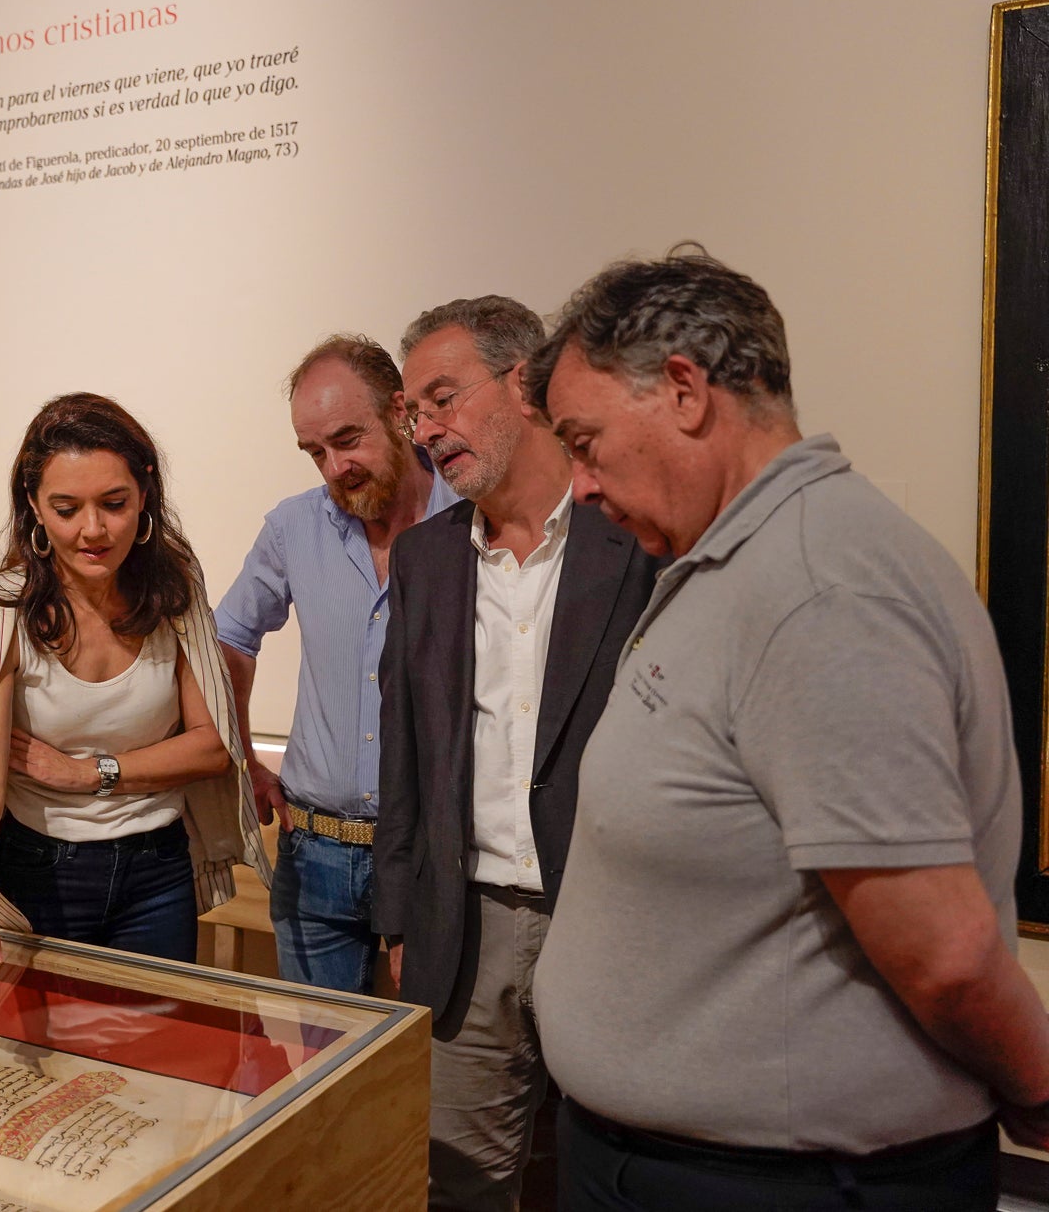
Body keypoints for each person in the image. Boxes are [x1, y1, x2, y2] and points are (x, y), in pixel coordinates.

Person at [526, 246, 1049, 1211]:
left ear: (684, 390)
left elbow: (945, 951)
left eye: (585, 442)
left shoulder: (820, 589)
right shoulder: (739, 557)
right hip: (690, 1168)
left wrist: (1037, 1086)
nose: (582, 485)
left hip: (780, 1182)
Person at [374, 297, 660, 1211]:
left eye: (443, 398)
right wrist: (399, 919)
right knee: (457, 1187)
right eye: (414, 412)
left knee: (614, 1181)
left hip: (610, 923)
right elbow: (405, 749)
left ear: (523, 383)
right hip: (466, 927)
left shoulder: (635, 539)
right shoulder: (424, 559)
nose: (426, 430)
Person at [0, 393, 266, 989]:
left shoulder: (173, 590)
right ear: (34, 506)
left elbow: (212, 747)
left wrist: (88, 773)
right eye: (66, 509)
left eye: (114, 504)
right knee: (33, 1042)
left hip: (157, 869)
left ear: (145, 494)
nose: (93, 530)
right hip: (37, 870)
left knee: (154, 1044)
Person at [215, 334, 460, 990]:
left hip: (431, 855)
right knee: (323, 1054)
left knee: (430, 1051)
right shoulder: (294, 527)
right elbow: (229, 637)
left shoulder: (470, 522)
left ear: (400, 411)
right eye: (315, 451)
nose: (334, 467)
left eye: (348, 440)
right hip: (313, 852)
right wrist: (243, 757)